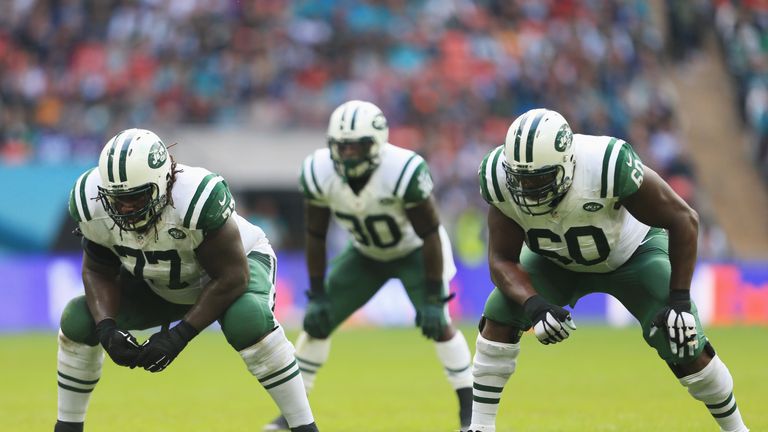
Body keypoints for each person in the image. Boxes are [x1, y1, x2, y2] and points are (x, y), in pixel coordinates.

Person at [467, 108, 750, 432]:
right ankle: (480, 427)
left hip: (631, 254)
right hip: (554, 259)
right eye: (521, 180)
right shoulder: (498, 180)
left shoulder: (607, 165)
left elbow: (684, 218)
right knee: (499, 312)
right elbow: (502, 259)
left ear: (567, 164)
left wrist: (680, 301)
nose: (528, 190)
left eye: (540, 179)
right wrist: (535, 306)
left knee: (682, 340)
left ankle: (737, 429)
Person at [55, 129, 319, 432]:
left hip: (235, 268)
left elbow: (232, 277)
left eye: (136, 197)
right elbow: (98, 270)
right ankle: (67, 428)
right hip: (159, 282)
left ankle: (304, 427)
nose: (125, 209)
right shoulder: (90, 203)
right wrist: (108, 330)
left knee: (246, 319)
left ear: (163, 181)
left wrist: (178, 337)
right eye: (117, 199)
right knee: (79, 318)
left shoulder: (196, 196)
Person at [264, 100, 473, 431]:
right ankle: (292, 415)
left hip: (415, 251)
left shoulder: (402, 170)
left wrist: (434, 297)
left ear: (377, 144)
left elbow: (431, 233)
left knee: (439, 325)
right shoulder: (319, 171)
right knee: (317, 323)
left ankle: (469, 412)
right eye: (341, 146)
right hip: (366, 253)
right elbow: (315, 235)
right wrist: (317, 293)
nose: (347, 155)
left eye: (356, 147)